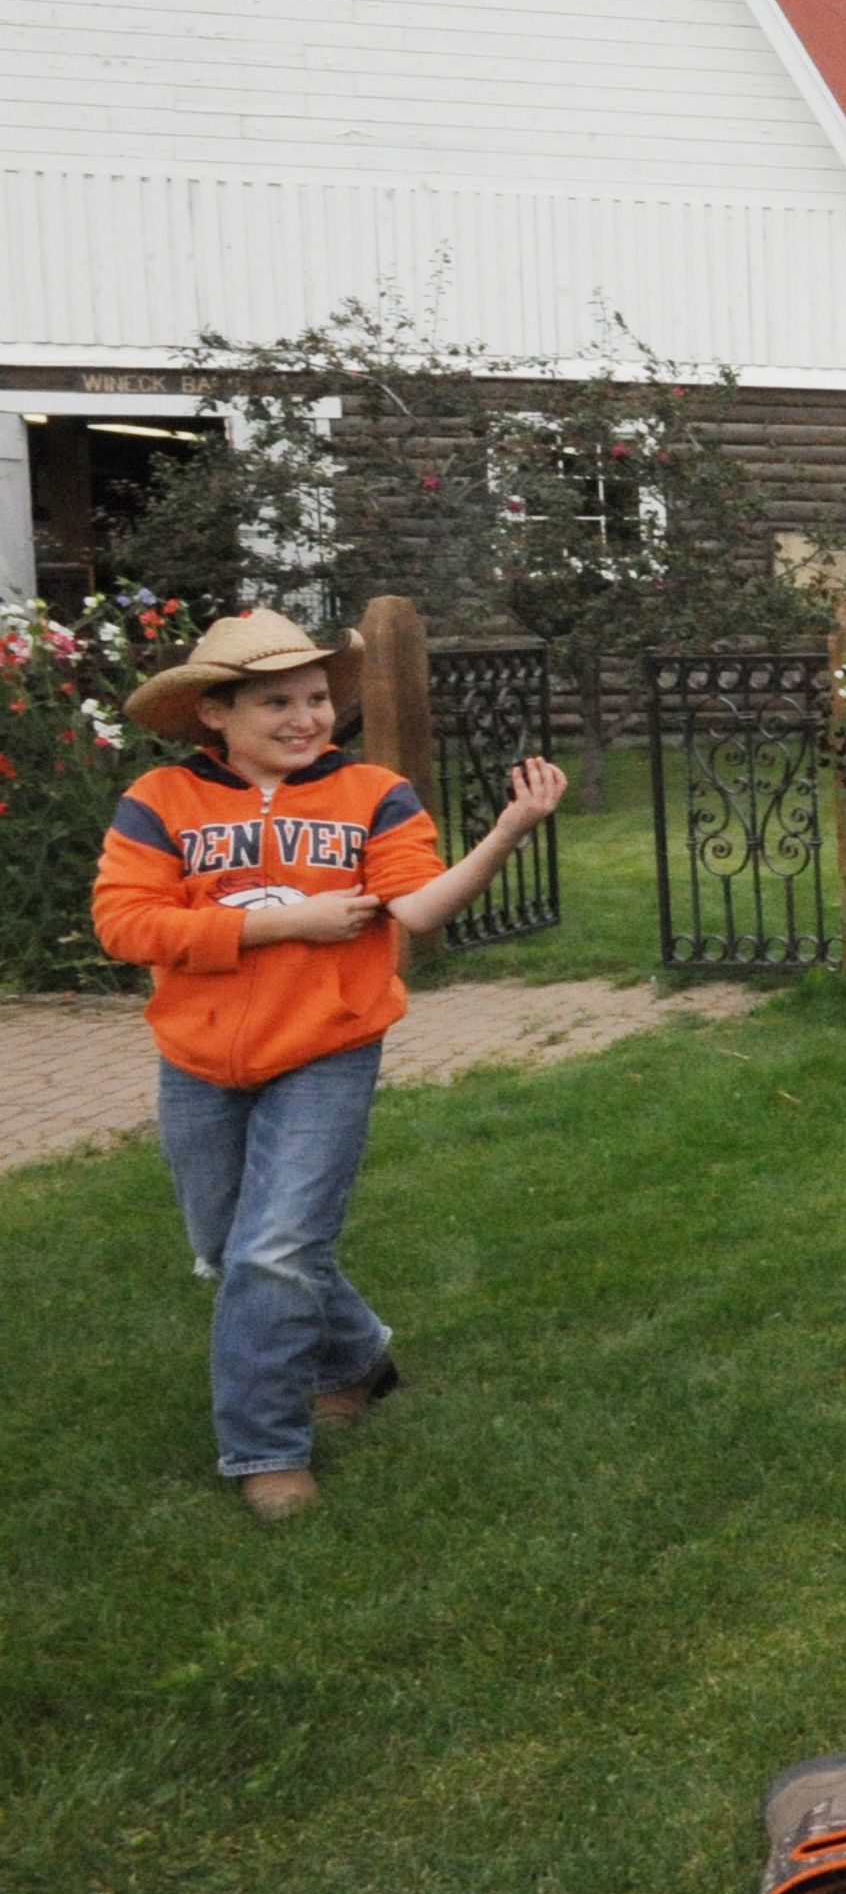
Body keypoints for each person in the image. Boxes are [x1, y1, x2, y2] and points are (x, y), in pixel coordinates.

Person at [90, 609, 566, 1521]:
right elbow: (127, 925)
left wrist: (507, 831)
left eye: (316, 698)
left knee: (273, 1251)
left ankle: (266, 1449)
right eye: (278, 701)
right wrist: (282, 923)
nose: (307, 717)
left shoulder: (373, 793)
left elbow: (418, 910)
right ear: (216, 715)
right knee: (230, 1251)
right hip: (197, 1060)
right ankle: (358, 1360)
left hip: (326, 1051)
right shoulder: (161, 801)